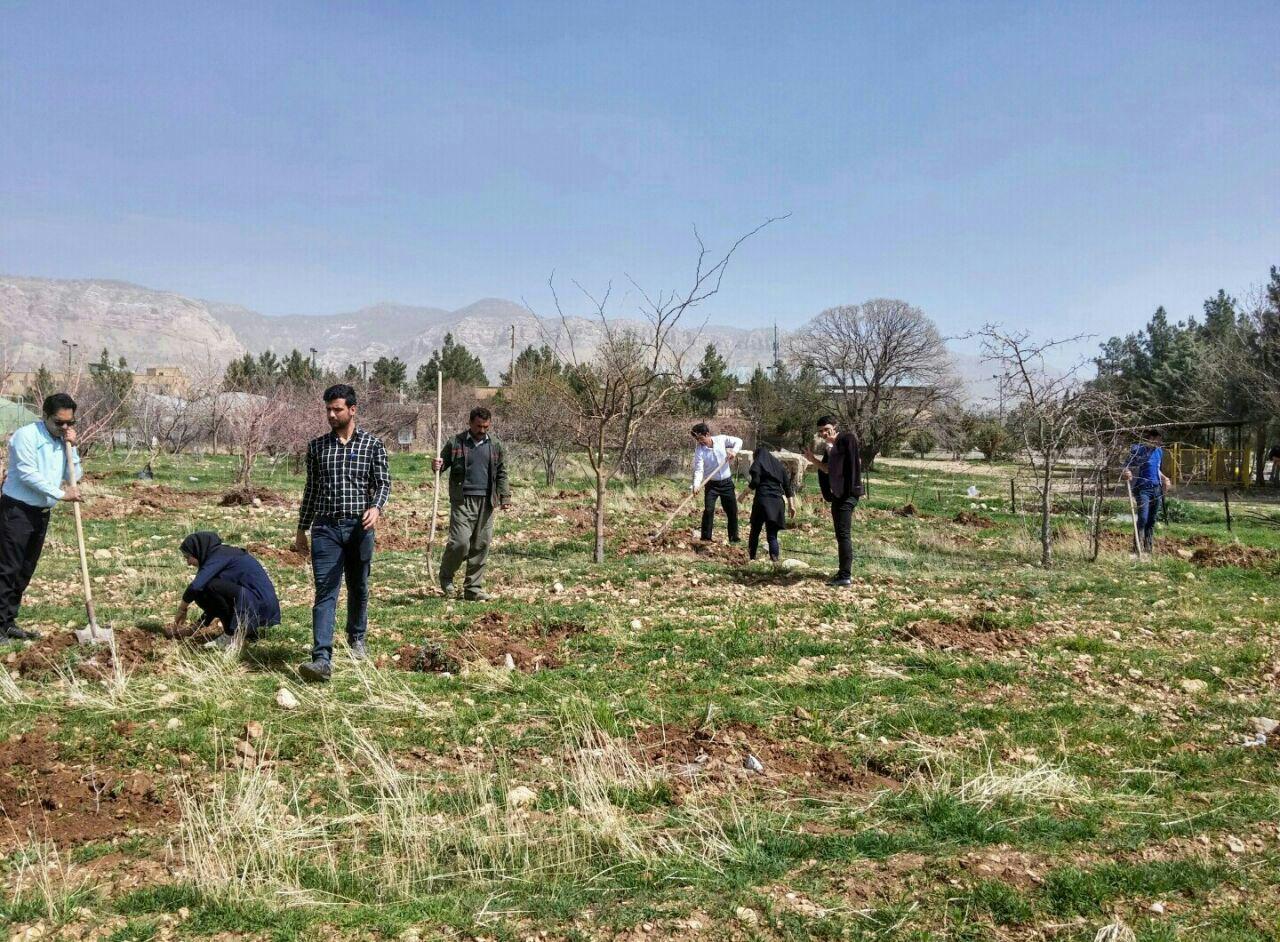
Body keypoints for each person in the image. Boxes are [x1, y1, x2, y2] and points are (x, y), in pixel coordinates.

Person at [294, 384, 391, 682]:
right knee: (325, 591)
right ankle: (321, 657)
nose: (331, 414)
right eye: (328, 410)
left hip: (360, 528)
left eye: (337, 409)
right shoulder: (317, 447)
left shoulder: (372, 445)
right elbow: (311, 490)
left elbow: (383, 483)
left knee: (359, 585)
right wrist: (302, 529)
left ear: (352, 409)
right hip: (325, 528)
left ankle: (356, 638)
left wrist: (376, 508)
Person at [0, 393, 82, 641]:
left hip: (41, 513)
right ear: (45, 416)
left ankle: (8, 622)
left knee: (25, 569)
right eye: (59, 423)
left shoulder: (63, 440)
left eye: (70, 423)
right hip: (17, 511)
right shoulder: (26, 437)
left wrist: (73, 448)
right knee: (7, 568)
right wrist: (60, 494)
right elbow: (27, 474)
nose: (65, 428)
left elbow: (75, 474)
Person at [432, 406, 511, 601]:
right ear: (470, 423)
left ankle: (473, 588)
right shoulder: (456, 443)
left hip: (487, 501)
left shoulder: (496, 446)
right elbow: (440, 466)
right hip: (462, 501)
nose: (482, 430)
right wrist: (436, 466)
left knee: (481, 544)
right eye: (478, 426)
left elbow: (501, 473)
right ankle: (446, 577)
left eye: (486, 427)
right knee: (460, 543)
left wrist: (505, 497)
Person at [173, 532, 281, 649]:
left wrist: (181, 609)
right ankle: (246, 633)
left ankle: (232, 635)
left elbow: (196, 586)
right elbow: (216, 602)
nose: (188, 562)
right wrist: (193, 629)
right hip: (257, 604)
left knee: (206, 587)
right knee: (205, 590)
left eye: (188, 557)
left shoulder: (219, 556)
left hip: (257, 603)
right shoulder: (222, 554)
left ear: (197, 550)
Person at [803, 415, 863, 587]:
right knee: (840, 534)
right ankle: (843, 572)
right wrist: (813, 459)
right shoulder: (832, 446)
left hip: (848, 493)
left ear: (835, 426)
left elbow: (844, 461)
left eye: (826, 428)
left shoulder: (846, 439)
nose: (823, 433)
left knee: (844, 534)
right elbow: (828, 469)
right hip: (838, 495)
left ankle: (845, 576)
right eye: (820, 431)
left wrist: (831, 446)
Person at [1121, 428, 1172, 555]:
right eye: (1158, 440)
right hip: (1142, 489)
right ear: (1151, 438)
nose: (1160, 443)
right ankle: (1136, 550)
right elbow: (1126, 465)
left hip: (1156, 489)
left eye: (1161, 440)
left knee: (1152, 520)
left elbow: (1155, 470)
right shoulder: (1138, 450)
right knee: (1143, 518)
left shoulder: (1159, 452)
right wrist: (1126, 472)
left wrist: (1165, 478)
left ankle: (1148, 550)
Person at [690, 423, 743, 544]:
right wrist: (696, 484)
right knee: (708, 510)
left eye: (701, 438)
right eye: (697, 439)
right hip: (711, 485)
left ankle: (733, 537)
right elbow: (699, 469)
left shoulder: (721, 439)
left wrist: (733, 452)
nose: (699, 441)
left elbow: (739, 441)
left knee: (732, 511)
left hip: (726, 483)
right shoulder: (699, 451)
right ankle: (706, 538)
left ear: (707, 434)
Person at [746, 443, 795, 563]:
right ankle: (775, 560)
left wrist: (743, 495)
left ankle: (751, 557)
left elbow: (755, 481)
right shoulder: (779, 466)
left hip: (762, 501)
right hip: (777, 502)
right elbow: (788, 488)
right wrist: (792, 506)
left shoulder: (759, 463)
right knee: (772, 535)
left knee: (755, 531)